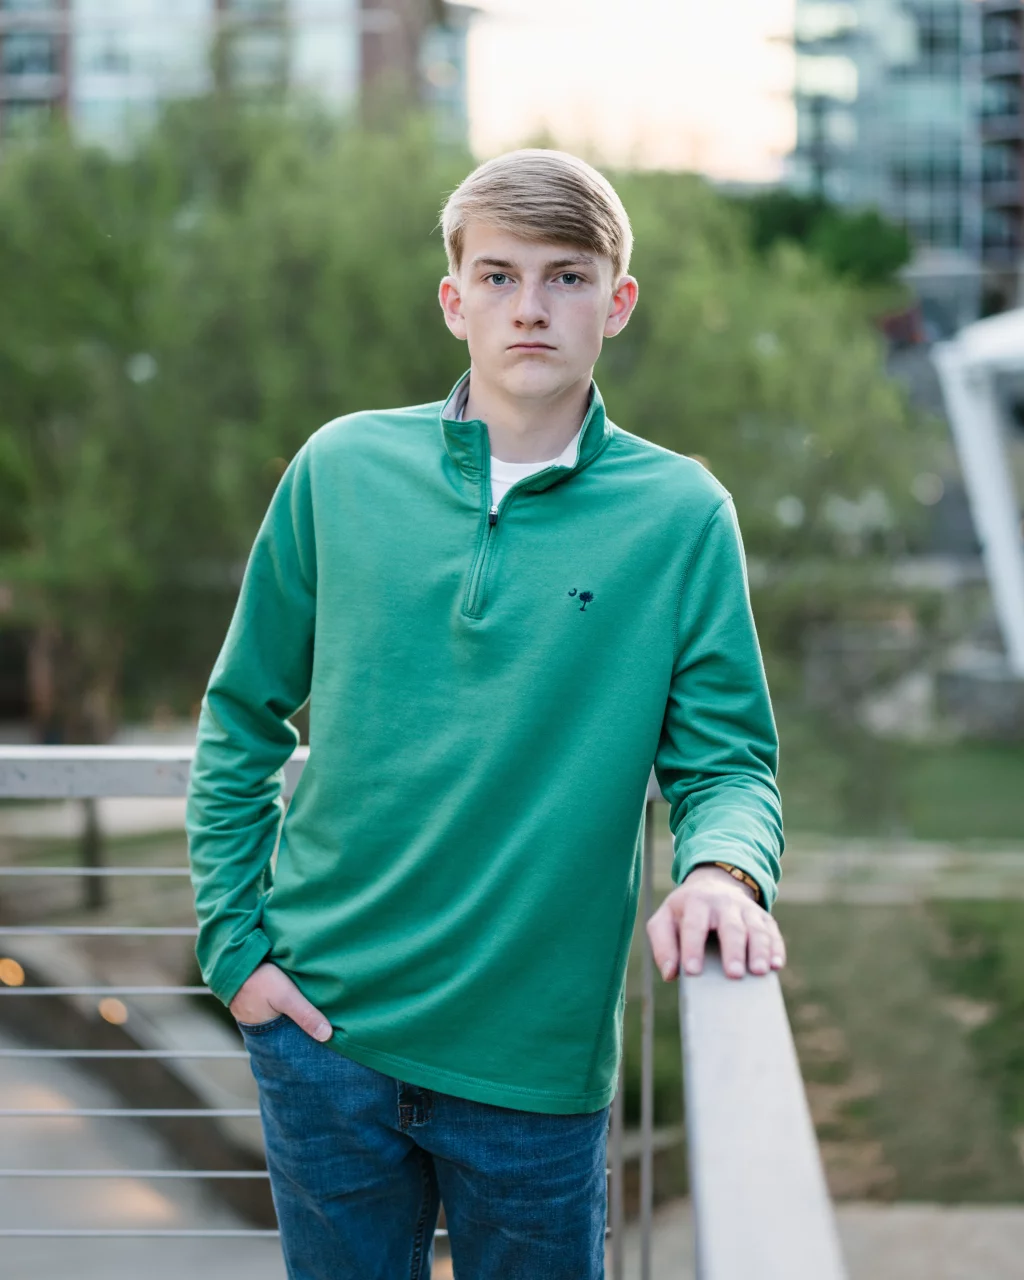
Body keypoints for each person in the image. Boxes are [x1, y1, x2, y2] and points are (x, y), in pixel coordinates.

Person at [184, 148, 786, 1280]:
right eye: (500, 277)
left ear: (617, 301)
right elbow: (242, 713)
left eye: (565, 277)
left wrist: (721, 872)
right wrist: (232, 943)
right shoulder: (341, 467)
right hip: (321, 1035)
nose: (531, 307)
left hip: (532, 1066)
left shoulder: (680, 514)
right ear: (454, 300)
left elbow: (729, 761)